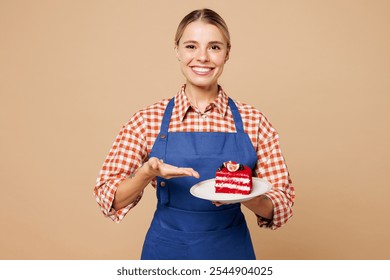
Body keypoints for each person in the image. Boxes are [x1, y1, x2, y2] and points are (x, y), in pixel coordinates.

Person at [94, 8, 295, 260]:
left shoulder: (254, 121)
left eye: (214, 47)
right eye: (191, 46)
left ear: (227, 53)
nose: (202, 57)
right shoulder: (147, 120)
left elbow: (282, 205)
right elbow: (108, 198)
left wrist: (245, 195)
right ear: (177, 49)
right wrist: (146, 173)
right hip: (166, 252)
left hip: (231, 254)